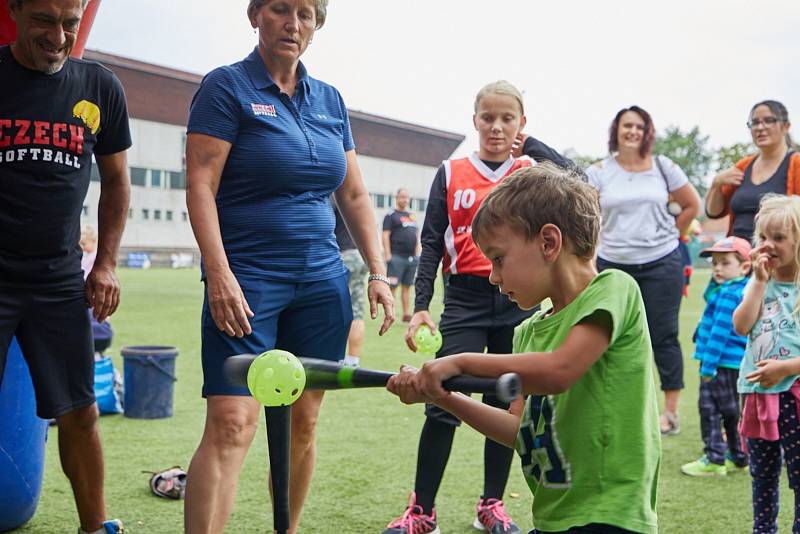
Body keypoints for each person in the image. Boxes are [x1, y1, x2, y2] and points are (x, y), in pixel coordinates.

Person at [182, 1, 394, 532]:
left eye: (306, 13)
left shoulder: (329, 99)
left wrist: (379, 272)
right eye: (280, 8)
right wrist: (220, 273)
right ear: (255, 15)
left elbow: (354, 192)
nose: (293, 23)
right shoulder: (226, 87)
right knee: (234, 420)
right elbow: (201, 184)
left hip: (322, 282)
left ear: (316, 25)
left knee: (305, 418)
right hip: (248, 280)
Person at [388, 163, 661, 534]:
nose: (492, 276)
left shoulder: (614, 289)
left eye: (498, 258)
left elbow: (559, 371)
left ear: (548, 242)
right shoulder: (527, 332)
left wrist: (460, 363)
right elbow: (519, 429)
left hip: (610, 517)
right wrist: (441, 397)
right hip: (554, 520)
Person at [383, 80, 578, 534]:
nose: (496, 127)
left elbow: (578, 182)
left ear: (521, 123)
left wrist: (532, 146)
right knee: (442, 398)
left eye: (507, 118)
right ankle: (422, 511)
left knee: (508, 400)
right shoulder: (451, 172)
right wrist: (423, 306)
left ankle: (492, 504)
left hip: (520, 299)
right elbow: (430, 242)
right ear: (474, 121)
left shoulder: (531, 168)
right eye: (488, 117)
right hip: (467, 299)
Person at [0, 1, 131, 532]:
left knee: (81, 411)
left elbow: (118, 182)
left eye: (70, 24)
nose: (58, 37)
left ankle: (93, 528)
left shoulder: (99, 86)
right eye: (44, 22)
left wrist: (105, 264)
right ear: (15, 11)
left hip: (58, 280)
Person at [586, 105, 701, 435]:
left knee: (663, 337)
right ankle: (613, 409)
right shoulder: (600, 171)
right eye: (627, 126)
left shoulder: (663, 167)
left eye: (639, 126)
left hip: (662, 263)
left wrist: (671, 234)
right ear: (616, 130)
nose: (633, 131)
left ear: (647, 131)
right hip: (612, 264)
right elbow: (588, 216)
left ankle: (670, 413)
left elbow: (693, 204)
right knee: (607, 337)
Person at [733, 194, 800, 534]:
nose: (768, 246)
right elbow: (741, 325)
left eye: (778, 238)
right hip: (758, 393)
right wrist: (758, 283)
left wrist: (786, 369)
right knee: (763, 475)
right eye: (762, 238)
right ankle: (763, 529)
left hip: (795, 394)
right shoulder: (759, 282)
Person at [680, 236, 751, 477]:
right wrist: (717, 279)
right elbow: (708, 296)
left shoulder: (729, 295)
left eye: (725, 263)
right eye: (715, 264)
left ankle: (714, 458)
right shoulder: (734, 289)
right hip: (732, 364)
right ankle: (738, 456)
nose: (717, 268)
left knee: (709, 409)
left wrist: (708, 367)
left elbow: (719, 334)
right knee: (731, 411)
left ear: (744, 267)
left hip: (718, 363)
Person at [706, 100, 798, 240]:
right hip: (737, 255)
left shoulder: (796, 164)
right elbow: (714, 213)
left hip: (776, 256)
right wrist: (716, 184)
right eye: (755, 122)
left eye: (768, 120)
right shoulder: (743, 166)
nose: (760, 127)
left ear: (786, 126)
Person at [335, 204, 369, 366]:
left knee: (336, 311)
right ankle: (353, 360)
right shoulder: (358, 199)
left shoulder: (334, 197)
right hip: (360, 255)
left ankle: (337, 357)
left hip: (344, 256)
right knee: (357, 311)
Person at [383, 188, 421, 323]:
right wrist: (388, 254)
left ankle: (406, 314)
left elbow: (416, 234)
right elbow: (385, 235)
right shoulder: (391, 215)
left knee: (407, 287)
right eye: (402, 197)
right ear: (397, 198)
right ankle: (390, 313)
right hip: (396, 257)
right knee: (392, 287)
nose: (404, 199)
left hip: (411, 258)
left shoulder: (412, 215)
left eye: (406, 197)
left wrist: (417, 251)